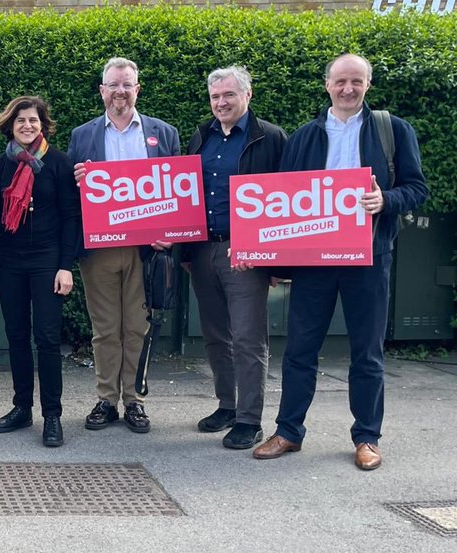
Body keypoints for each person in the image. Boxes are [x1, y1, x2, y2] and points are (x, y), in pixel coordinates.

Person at [254, 53, 428, 470]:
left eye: (356, 82)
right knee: (299, 349)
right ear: (327, 85)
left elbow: (417, 189)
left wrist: (386, 199)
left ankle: (367, 437)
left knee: (366, 350)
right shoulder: (304, 136)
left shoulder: (392, 130)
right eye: (340, 82)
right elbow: (282, 199)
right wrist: (275, 260)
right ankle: (288, 432)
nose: (348, 89)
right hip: (315, 260)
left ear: (367, 85)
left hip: (368, 258)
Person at [67, 57, 180, 434]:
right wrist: (77, 180)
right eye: (113, 85)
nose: (120, 92)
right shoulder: (82, 135)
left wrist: (170, 230)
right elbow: (69, 196)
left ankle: (134, 400)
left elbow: (178, 191)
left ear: (137, 89)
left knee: (137, 327)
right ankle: (105, 399)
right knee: (105, 329)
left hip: (146, 250)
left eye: (126, 85)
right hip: (98, 248)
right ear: (102, 91)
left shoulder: (164, 133)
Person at [182, 66, 287, 450]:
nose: (221, 103)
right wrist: (184, 250)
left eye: (229, 95)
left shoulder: (271, 138)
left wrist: (274, 259)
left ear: (248, 95)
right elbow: (185, 192)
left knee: (247, 337)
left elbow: (285, 197)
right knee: (215, 335)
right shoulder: (201, 135)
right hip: (203, 248)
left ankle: (249, 419)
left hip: (245, 253)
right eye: (215, 97)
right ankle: (227, 405)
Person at [0, 96, 80, 447]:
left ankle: (52, 415)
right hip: (9, 262)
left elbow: (71, 217)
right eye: (21, 120)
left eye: (33, 121)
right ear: (11, 125)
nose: (27, 126)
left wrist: (65, 267)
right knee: (17, 335)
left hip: (47, 261)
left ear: (43, 125)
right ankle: (21, 408)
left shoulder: (59, 163)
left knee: (48, 338)